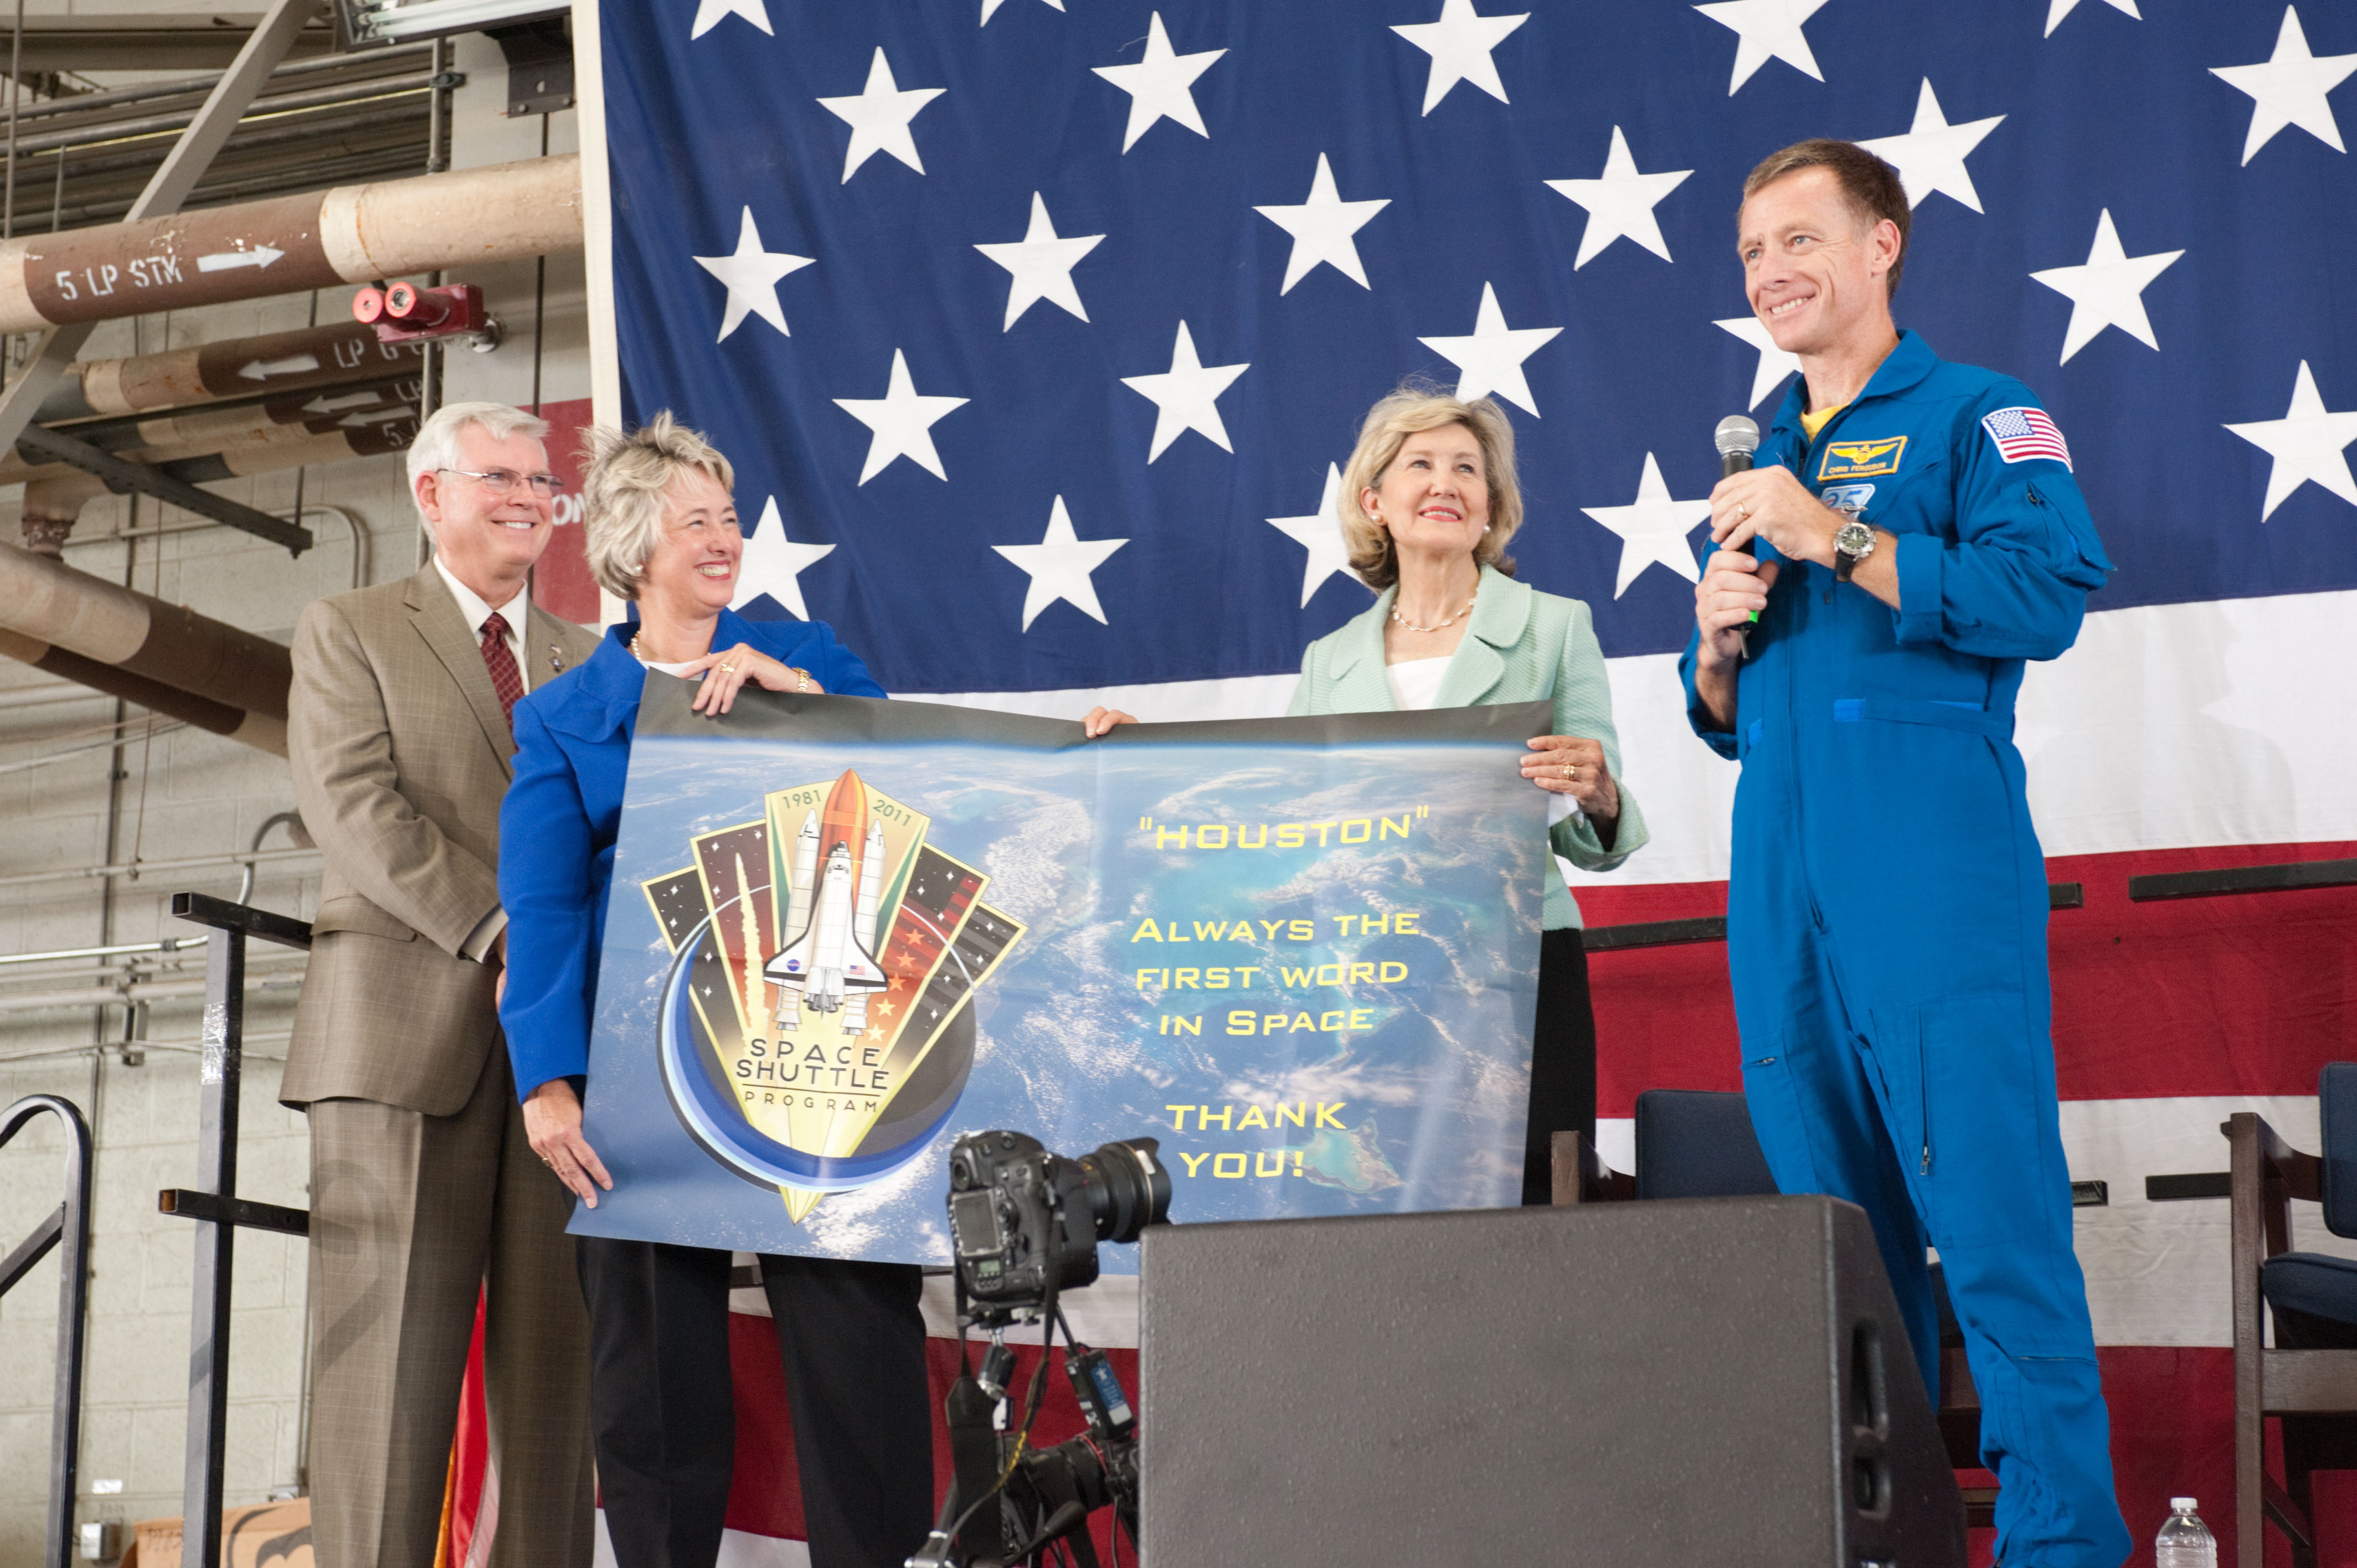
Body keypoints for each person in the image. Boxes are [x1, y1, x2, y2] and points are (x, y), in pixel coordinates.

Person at [1681, 139, 2127, 1567]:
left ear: (1884, 245)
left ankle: (2062, 1545)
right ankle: (1879, 1541)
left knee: (1991, 1226)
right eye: (1752, 253)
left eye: (1799, 241)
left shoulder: (1980, 414)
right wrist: (1711, 653)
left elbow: (2043, 592)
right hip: (1782, 882)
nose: (1770, 275)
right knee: (1835, 1258)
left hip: (1929, 870)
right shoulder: (1765, 451)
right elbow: (1733, 722)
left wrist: (1840, 532)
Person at [495, 413, 932, 1568]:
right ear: (636, 549)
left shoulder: (813, 659)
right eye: (697, 521)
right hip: (640, 1077)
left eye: (730, 519)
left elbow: (919, 787)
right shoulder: (558, 718)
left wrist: (791, 693)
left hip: (813, 1060)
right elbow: (541, 914)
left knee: (856, 1352)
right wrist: (547, 1085)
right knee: (648, 1373)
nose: (723, 539)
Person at [1089, 386, 1649, 1201]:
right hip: (1364, 979)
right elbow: (1281, 818)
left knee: (1532, 1201)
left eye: (1467, 468)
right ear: (1375, 503)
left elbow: (1598, 835)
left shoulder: (1556, 627)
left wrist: (1597, 792)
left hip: (1519, 968)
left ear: (1492, 507)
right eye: (1420, 464)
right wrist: (1148, 761)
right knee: (1379, 1204)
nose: (1445, 483)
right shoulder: (1331, 658)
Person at [284, 402, 603, 1568]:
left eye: (541, 482)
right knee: (387, 1391)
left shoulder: (593, 657)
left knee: (554, 1391)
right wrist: (512, 928)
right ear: (431, 495)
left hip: (564, 1063)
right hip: (400, 1045)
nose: (529, 496)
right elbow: (355, 811)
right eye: (500, 478)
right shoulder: (350, 626)